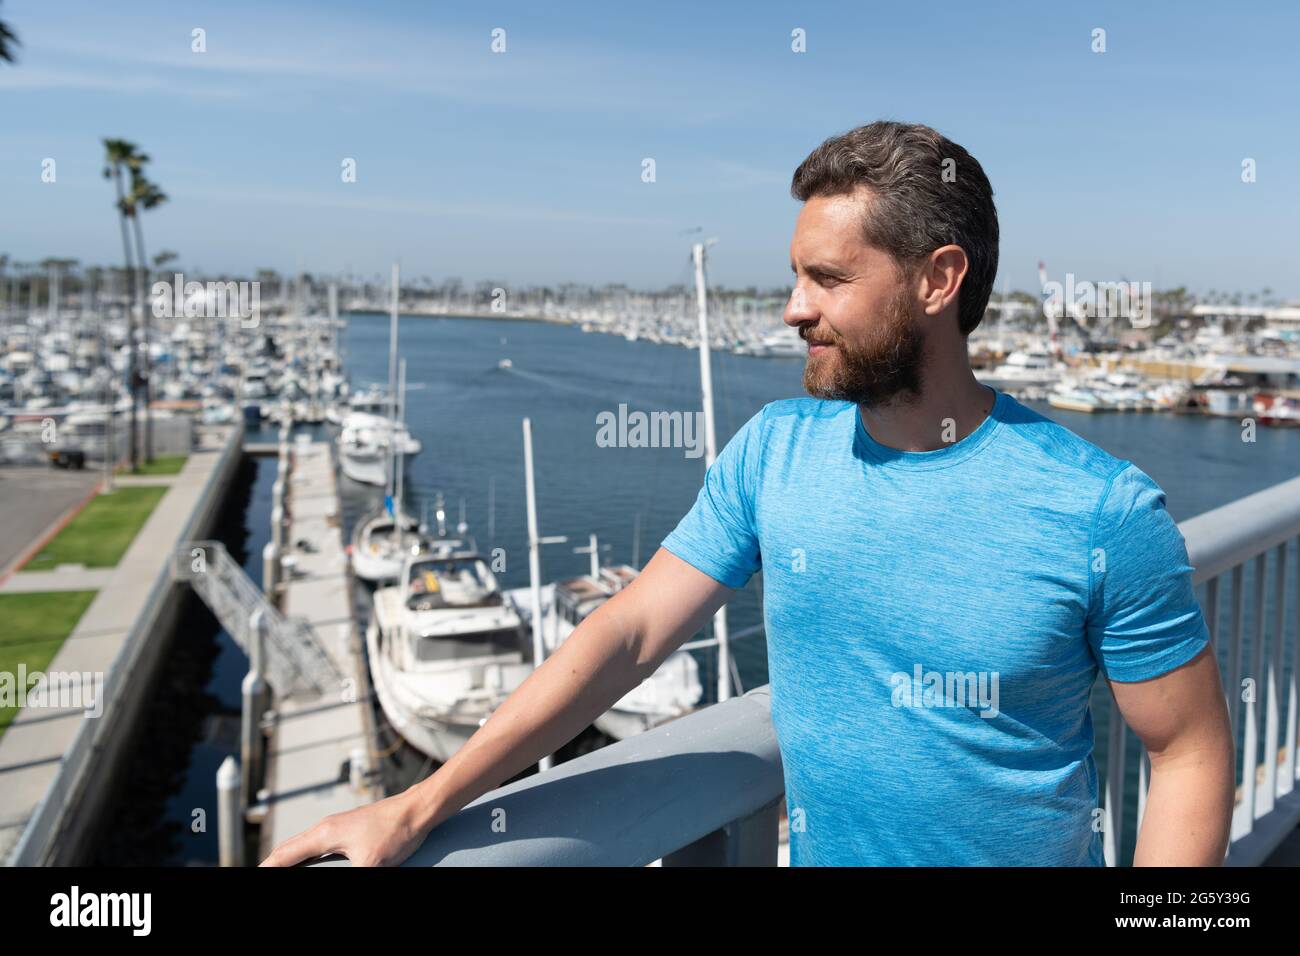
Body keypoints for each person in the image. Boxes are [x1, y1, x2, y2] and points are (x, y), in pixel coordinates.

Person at [262, 121, 1234, 867]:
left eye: (825, 277)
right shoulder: (776, 451)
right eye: (793, 275)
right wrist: (426, 799)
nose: (791, 307)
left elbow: (1186, 748)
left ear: (938, 280)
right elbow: (628, 633)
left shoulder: (1099, 508)